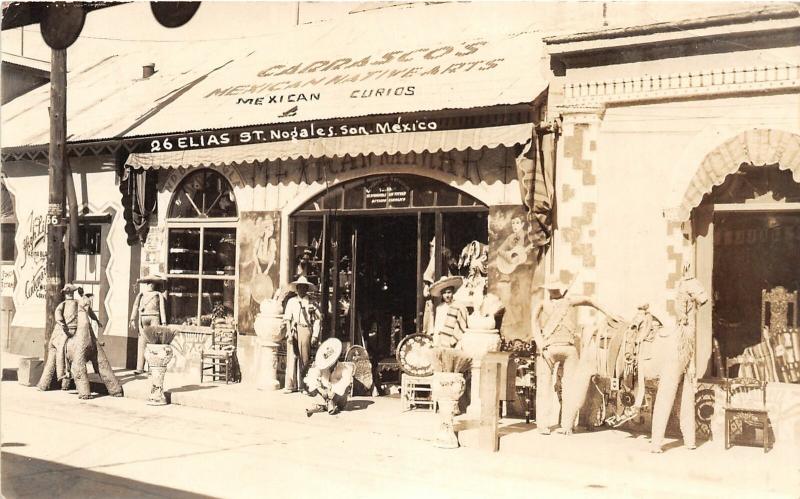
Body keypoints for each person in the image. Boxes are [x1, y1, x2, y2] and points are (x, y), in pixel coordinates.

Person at [531, 276, 618, 435]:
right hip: (549, 349)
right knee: (548, 387)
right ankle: (552, 425)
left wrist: (609, 313)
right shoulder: (552, 303)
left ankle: (565, 425)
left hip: (564, 349)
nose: (554, 291)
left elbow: (589, 301)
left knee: (568, 388)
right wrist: (540, 344)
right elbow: (534, 324)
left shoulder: (568, 301)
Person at [283, 275, 321, 393]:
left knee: (305, 359)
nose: (302, 289)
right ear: (297, 288)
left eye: (304, 287)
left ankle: (304, 386)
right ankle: (290, 385)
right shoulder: (292, 301)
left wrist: (315, 335)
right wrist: (289, 333)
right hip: (295, 329)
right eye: (300, 287)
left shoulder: (311, 302)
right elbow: (288, 319)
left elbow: (318, 319)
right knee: (292, 357)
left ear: (306, 288)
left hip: (305, 329)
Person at [303, 338, 354, 416]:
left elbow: (345, 383)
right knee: (312, 384)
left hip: (338, 397)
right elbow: (311, 377)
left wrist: (333, 391)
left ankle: (322, 405)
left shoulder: (344, 368)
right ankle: (326, 405)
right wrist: (320, 389)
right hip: (325, 395)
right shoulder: (323, 365)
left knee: (343, 389)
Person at [129, 274, 167, 374]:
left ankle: (152, 367)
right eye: (149, 283)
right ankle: (140, 367)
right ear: (147, 284)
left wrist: (163, 321)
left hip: (154, 317)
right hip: (143, 318)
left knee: (153, 343)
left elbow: (162, 309)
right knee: (142, 343)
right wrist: (132, 318)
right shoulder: (141, 294)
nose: (150, 285)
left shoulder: (158, 294)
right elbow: (135, 305)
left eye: (152, 283)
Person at [429, 275, 469, 349]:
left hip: (456, 341)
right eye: (444, 293)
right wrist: (435, 342)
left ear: (453, 292)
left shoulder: (459, 306)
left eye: (449, 292)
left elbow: (462, 325)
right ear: (442, 294)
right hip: (441, 341)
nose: (447, 295)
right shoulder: (440, 308)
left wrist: (454, 340)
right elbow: (437, 327)